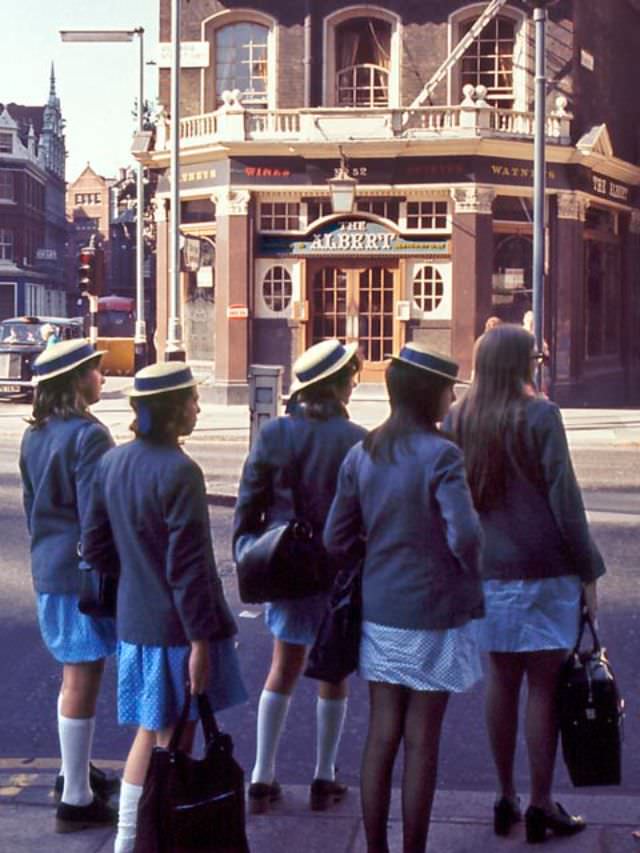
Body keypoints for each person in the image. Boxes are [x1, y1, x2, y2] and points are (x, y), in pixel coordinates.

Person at [446, 323, 605, 844]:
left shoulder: (459, 417)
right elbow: (565, 499)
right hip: (545, 570)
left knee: (501, 682)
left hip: (487, 572)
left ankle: (504, 795)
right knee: (544, 687)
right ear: (519, 364)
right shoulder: (542, 415)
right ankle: (541, 802)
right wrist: (589, 569)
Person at [324, 343, 484, 853]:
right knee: (423, 740)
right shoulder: (443, 455)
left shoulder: (361, 453)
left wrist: (374, 552)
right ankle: (413, 847)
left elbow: (335, 537)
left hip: (381, 611)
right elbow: (464, 536)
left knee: (381, 732)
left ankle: (376, 849)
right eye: (448, 390)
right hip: (434, 612)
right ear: (428, 395)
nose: (452, 398)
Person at [82, 361, 247, 853]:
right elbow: (191, 572)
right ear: (174, 410)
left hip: (136, 623)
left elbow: (94, 548)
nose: (199, 407)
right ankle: (144, 839)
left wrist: (136, 574)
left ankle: (132, 839)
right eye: (193, 400)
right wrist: (201, 644)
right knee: (172, 741)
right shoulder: (180, 471)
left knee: (152, 737)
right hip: (178, 632)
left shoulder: (112, 463)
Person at [233, 339, 366, 814]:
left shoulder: (273, 435)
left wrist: (247, 553)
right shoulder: (357, 439)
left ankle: (262, 775)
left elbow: (249, 503)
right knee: (333, 673)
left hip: (285, 565)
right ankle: (323, 777)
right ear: (336, 386)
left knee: (281, 667)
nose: (355, 380)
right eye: (351, 374)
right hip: (337, 574)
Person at [19, 339, 119, 833]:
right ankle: (77, 797)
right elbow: (96, 516)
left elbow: (33, 505)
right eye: (96, 372)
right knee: (83, 679)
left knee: (72, 677)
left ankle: (72, 770)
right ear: (76, 380)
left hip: (48, 568)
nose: (103, 378)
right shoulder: (89, 437)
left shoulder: (34, 436)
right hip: (83, 575)